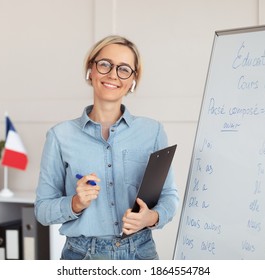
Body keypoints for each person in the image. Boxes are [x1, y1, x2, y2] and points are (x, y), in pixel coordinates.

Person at [34, 35, 179, 260]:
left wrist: (150, 218)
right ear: (90, 70)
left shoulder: (153, 132)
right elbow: (42, 210)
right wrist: (75, 203)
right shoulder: (60, 136)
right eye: (104, 65)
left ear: (133, 80)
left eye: (124, 69)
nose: (113, 74)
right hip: (81, 256)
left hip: (140, 252)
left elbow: (169, 196)